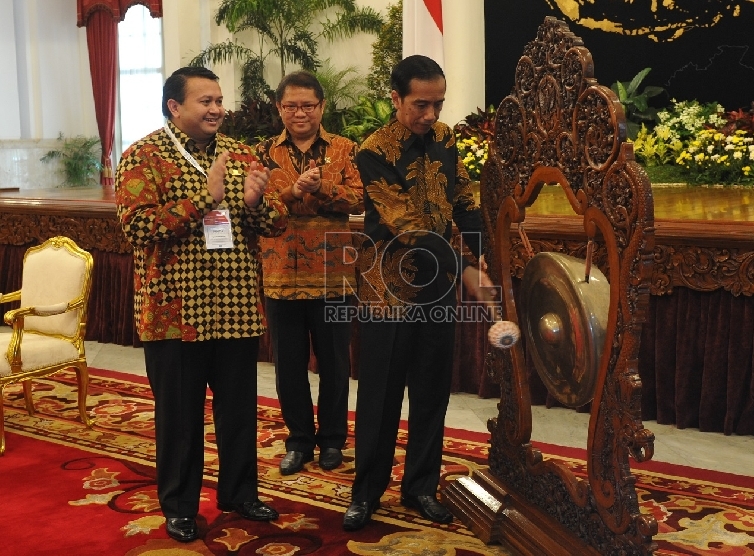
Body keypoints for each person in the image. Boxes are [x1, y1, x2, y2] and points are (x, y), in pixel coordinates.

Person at [115, 66, 288, 543]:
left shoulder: (240, 153)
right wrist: (203, 199)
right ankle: (180, 505)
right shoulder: (142, 156)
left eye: (218, 100)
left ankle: (239, 493)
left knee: (238, 410)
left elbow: (273, 223)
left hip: (234, 304)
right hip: (175, 311)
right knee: (180, 417)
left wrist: (254, 201)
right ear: (175, 107)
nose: (216, 109)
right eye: (204, 101)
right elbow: (138, 229)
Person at [342, 55, 496, 531]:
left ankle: (420, 487)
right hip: (388, 290)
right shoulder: (374, 150)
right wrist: (466, 271)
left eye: (438, 104)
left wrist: (482, 251)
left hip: (437, 288)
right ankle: (366, 493)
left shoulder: (447, 138)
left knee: (431, 391)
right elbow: (407, 225)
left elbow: (464, 196)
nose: (431, 115)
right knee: (381, 395)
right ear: (396, 99)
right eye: (421, 105)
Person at [256, 71, 363, 475]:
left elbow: (357, 199)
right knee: (288, 365)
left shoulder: (345, 149)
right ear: (279, 108)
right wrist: (293, 192)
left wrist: (321, 191)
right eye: (291, 106)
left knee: (336, 362)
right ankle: (298, 440)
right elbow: (257, 204)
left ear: (321, 107)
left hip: (332, 275)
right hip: (280, 274)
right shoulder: (262, 153)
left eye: (308, 105)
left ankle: (333, 441)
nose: (299, 113)